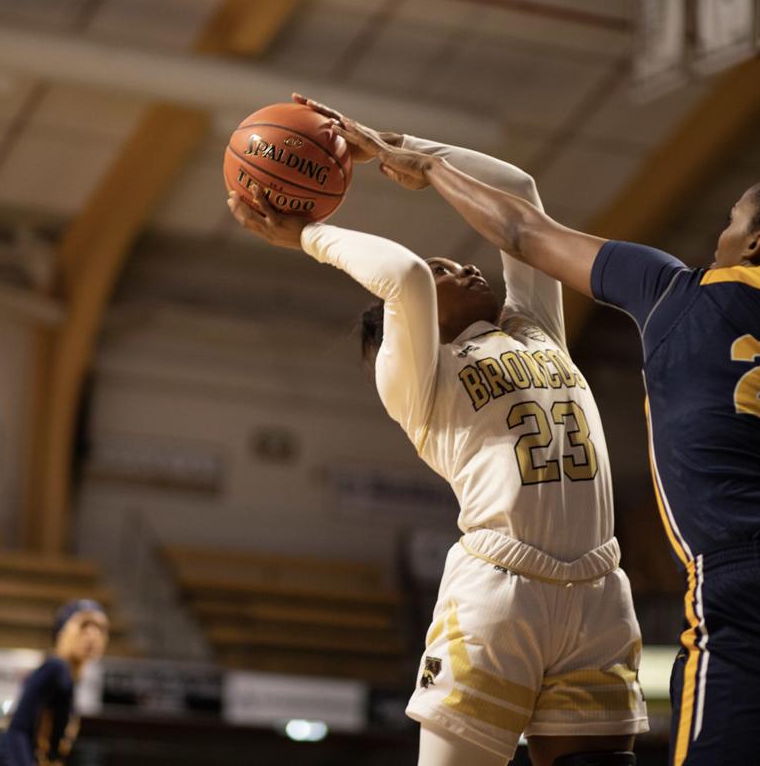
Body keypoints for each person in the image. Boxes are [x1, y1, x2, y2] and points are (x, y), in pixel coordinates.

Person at [334, 39, 760, 765]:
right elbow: (433, 267)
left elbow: (523, 221)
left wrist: (418, 165)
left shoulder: (680, 295)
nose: (716, 234)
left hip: (743, 589)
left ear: (756, 245)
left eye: (729, 220)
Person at [227, 116, 645, 766]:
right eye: (446, 269)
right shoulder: (420, 380)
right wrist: (306, 234)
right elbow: (402, 274)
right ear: (412, 330)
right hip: (500, 593)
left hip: (598, 588)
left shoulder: (534, 327)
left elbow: (521, 190)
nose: (461, 265)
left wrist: (409, 152)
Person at [0, 599, 109, 766]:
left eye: (99, 628)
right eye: (84, 627)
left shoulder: (67, 675)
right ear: (62, 632)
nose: (92, 636)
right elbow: (17, 730)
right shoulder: (56, 668)